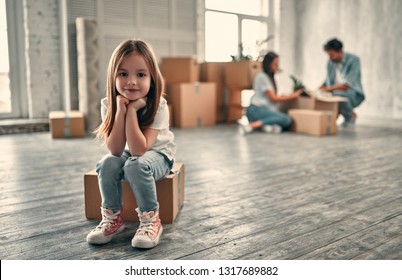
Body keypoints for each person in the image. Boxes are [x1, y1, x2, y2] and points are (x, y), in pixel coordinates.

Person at [86, 39, 176, 249]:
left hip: (159, 156)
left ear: (152, 78)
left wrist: (133, 111)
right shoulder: (109, 104)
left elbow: (139, 149)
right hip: (130, 155)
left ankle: (151, 219)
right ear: (113, 77)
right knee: (107, 163)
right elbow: (116, 149)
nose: (131, 81)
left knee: (136, 164)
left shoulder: (159, 105)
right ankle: (113, 217)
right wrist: (121, 111)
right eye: (123, 73)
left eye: (141, 74)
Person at [239, 51, 302, 134]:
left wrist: (284, 96)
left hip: (260, 111)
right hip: (256, 110)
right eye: (275, 64)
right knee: (287, 119)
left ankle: (266, 126)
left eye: (277, 64)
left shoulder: (268, 78)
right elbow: (273, 98)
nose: (277, 66)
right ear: (268, 64)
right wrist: (293, 96)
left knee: (279, 124)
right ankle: (252, 125)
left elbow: (271, 96)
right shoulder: (263, 77)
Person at [320, 38, 365, 127]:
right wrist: (319, 88)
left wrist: (328, 89)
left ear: (340, 51)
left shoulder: (354, 60)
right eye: (328, 55)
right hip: (334, 92)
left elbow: (347, 85)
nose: (330, 58)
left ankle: (350, 116)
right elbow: (327, 80)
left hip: (353, 94)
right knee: (324, 96)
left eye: (332, 55)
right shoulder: (331, 62)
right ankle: (335, 117)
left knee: (337, 94)